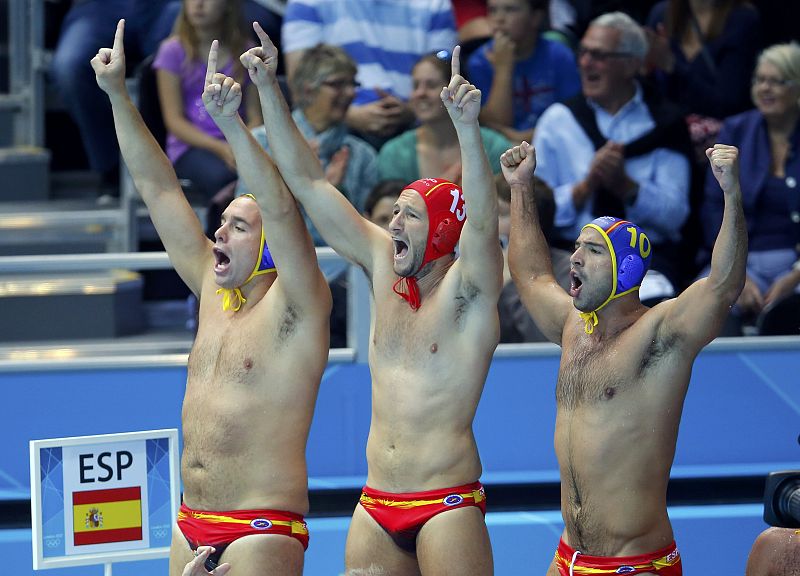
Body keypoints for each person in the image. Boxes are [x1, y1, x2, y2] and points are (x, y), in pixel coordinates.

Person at [240, 26, 501, 573]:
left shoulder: (467, 292)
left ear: (442, 234)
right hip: (376, 503)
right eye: (395, 210)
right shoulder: (385, 264)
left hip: (445, 501)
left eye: (410, 214)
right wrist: (268, 87)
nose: (393, 222)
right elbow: (310, 183)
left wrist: (467, 130)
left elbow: (479, 224)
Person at [92, 20, 331, 575]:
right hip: (189, 518)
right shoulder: (210, 287)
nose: (218, 233)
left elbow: (280, 206)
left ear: (271, 246)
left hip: (260, 526)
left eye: (238, 227)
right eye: (221, 222)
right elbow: (158, 187)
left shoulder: (298, 304)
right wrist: (118, 96)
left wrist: (232, 123)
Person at [504, 139, 746, 575]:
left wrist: (730, 195)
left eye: (593, 251)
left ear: (627, 269)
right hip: (568, 559)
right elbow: (533, 274)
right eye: (577, 247)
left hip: (634, 564)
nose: (575, 258)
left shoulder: (659, 335)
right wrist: (521, 188)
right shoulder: (573, 328)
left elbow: (722, 287)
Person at [532, 11, 692, 301]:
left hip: (644, 258)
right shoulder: (557, 121)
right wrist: (586, 187)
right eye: (583, 53)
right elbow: (538, 211)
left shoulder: (665, 123)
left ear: (632, 64)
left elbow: (674, 217)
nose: (585, 63)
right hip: (570, 254)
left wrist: (626, 187)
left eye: (599, 55)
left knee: (651, 301)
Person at [699, 42, 800, 335]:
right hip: (741, 258)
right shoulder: (736, 130)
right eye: (760, 80)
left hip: (794, 264)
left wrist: (795, 277)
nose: (765, 88)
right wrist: (735, 274)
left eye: (777, 81)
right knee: (708, 306)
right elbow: (714, 207)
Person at [238, 43, 378, 248]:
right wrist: (288, 181)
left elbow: (368, 233)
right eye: (337, 84)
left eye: (352, 84)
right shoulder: (260, 142)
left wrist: (334, 193)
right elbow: (245, 218)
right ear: (308, 89)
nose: (350, 93)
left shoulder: (363, 155)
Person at [281, 0, 457, 145]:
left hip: (416, 125)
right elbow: (301, 84)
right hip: (338, 128)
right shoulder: (307, 3)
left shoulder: (435, 4)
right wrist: (348, 115)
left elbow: (445, 73)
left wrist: (411, 111)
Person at [51, 0, 181, 194]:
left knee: (187, 43)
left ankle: (172, 159)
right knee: (69, 67)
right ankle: (111, 166)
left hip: (166, 5)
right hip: (99, 8)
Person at [153, 0, 263, 203]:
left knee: (267, 174)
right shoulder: (171, 51)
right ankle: (222, 231)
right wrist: (220, 148)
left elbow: (255, 116)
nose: (199, 4)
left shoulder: (247, 51)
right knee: (225, 178)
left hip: (237, 141)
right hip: (190, 147)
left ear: (228, 5)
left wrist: (241, 145)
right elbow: (174, 121)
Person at [378, 51, 511, 185]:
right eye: (415, 86)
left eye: (431, 85)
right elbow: (390, 205)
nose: (420, 93)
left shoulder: (494, 147)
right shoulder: (395, 153)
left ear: (456, 90)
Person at [467, 0, 581, 144]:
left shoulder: (559, 56)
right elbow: (494, 125)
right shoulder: (479, 62)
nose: (499, 19)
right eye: (493, 10)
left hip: (554, 141)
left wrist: (528, 137)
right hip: (504, 150)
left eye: (510, 10)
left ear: (535, 17)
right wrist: (503, 70)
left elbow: (573, 117)